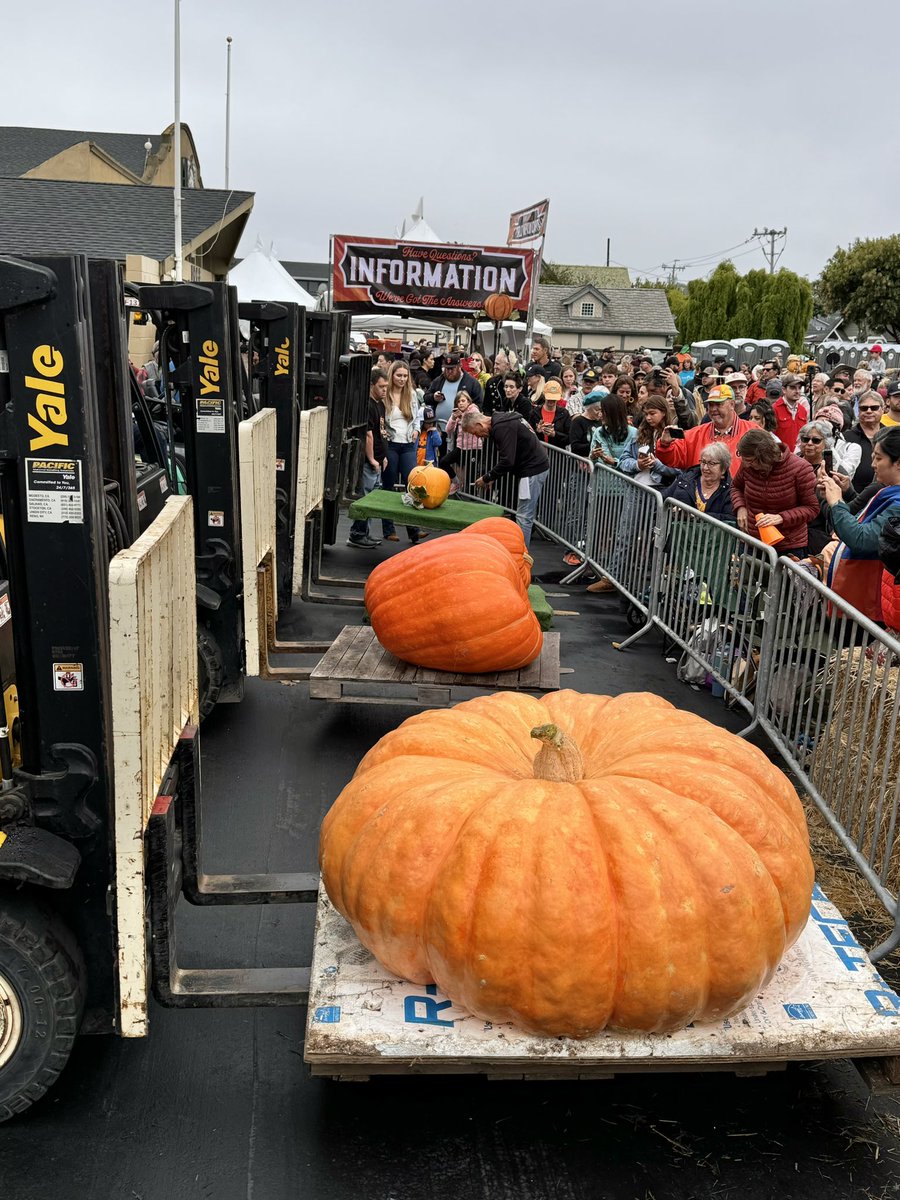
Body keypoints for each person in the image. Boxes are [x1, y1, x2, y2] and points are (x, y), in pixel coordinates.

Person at [819, 427, 900, 622]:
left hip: (874, 603)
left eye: (878, 458)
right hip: (866, 597)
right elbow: (861, 520)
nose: (872, 465)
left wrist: (836, 503)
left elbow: (862, 539)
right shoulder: (887, 490)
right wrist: (845, 493)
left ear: (898, 463)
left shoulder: (897, 502)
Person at [466, 410, 550, 548]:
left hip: (532, 470)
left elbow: (507, 461)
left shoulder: (502, 427)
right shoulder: (502, 421)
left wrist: (487, 477)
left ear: (479, 424)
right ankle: (521, 551)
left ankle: (522, 554)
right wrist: (493, 477)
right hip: (532, 467)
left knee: (524, 516)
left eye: (475, 433)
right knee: (524, 514)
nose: (478, 436)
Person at [731, 428, 818, 556]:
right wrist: (740, 507)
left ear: (764, 457)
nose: (746, 465)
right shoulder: (748, 465)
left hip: (787, 545)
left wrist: (781, 517)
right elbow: (736, 487)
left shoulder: (801, 469)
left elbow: (812, 508)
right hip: (753, 541)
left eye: (750, 461)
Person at [656, 384, 754, 470]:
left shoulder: (752, 432)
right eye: (710, 405)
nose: (713, 409)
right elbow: (672, 458)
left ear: (732, 404)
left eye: (718, 404)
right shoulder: (695, 435)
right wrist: (665, 444)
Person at [381, 359, 425, 545]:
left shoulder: (412, 394)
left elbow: (417, 418)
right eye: (399, 375)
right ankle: (388, 529)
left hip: (407, 444)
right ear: (391, 375)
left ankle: (414, 529)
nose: (402, 379)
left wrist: (416, 429)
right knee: (388, 486)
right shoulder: (386, 394)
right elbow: (380, 417)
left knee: (412, 485)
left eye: (405, 376)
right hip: (390, 443)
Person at [347, 367, 389, 549]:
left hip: (378, 459)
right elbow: (368, 435)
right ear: (372, 385)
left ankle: (364, 533)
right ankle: (357, 534)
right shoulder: (368, 406)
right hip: (369, 462)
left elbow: (381, 431)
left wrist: (383, 457)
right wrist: (372, 459)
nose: (384, 390)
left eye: (386, 387)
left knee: (371, 499)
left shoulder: (380, 404)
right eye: (381, 387)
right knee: (365, 499)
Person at [662, 442, 735, 521]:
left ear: (723, 468)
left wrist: (697, 516)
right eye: (703, 462)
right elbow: (662, 499)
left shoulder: (730, 491)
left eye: (711, 463)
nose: (705, 468)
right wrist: (671, 511)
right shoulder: (686, 479)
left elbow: (730, 518)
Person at [796, 420, 839, 554]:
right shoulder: (792, 463)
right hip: (792, 525)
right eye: (805, 439)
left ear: (826, 443)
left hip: (818, 531)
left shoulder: (834, 470)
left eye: (816, 440)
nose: (809, 443)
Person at [620, 395, 679, 490]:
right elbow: (623, 460)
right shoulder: (639, 434)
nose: (648, 418)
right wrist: (637, 465)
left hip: (662, 488)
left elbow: (679, 469)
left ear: (663, 412)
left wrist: (656, 465)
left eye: (652, 413)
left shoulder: (673, 435)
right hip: (636, 486)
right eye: (646, 414)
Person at [423, 351, 483, 436]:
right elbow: (426, 398)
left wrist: (464, 414)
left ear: (460, 367)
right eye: (447, 369)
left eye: (452, 368)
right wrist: (433, 397)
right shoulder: (439, 380)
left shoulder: (472, 383)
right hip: (439, 430)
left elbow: (478, 405)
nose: (449, 371)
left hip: (460, 432)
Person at [843, 390, 887, 493]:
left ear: (883, 409)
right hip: (852, 495)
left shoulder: (891, 436)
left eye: (874, 407)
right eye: (864, 408)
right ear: (858, 411)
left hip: (886, 496)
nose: (869, 411)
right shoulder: (845, 438)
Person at [440, 393, 482, 494]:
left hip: (474, 448)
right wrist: (453, 418)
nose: (461, 403)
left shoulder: (474, 410)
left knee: (470, 476)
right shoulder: (457, 413)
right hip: (460, 447)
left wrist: (461, 416)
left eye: (463, 401)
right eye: (458, 401)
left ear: (468, 401)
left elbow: (471, 424)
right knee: (443, 462)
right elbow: (448, 430)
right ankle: (456, 482)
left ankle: (471, 497)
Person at [771, 373, 810, 452]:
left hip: (798, 456)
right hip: (779, 455)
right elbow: (770, 436)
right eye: (793, 388)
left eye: (799, 388)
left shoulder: (803, 410)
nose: (797, 391)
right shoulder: (774, 409)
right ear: (784, 390)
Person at [532, 377, 571, 448]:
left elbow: (569, 438)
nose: (551, 400)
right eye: (549, 397)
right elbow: (527, 434)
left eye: (554, 398)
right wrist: (537, 431)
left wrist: (554, 434)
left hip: (557, 453)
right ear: (544, 395)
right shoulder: (535, 412)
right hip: (538, 452)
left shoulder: (564, 413)